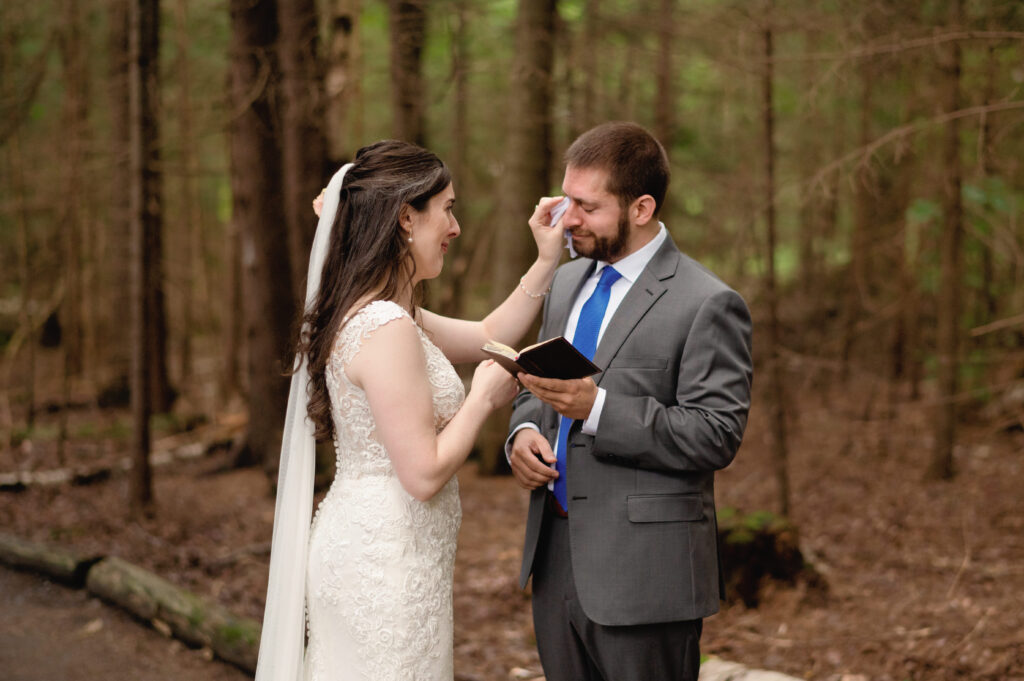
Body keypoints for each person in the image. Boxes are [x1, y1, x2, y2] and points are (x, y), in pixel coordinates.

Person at [255, 139, 564, 681]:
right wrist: (481, 401)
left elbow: (489, 334)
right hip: (384, 564)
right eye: (447, 208)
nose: (456, 227)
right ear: (404, 218)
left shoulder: (386, 312)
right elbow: (422, 473)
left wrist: (545, 260)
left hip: (388, 551)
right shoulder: (386, 328)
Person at [507, 122, 754, 681]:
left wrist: (596, 409)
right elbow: (538, 392)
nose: (568, 219)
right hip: (556, 560)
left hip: (647, 577)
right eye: (566, 200)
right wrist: (523, 434)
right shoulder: (567, 283)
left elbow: (715, 434)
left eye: (587, 207)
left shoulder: (708, 302)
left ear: (641, 208)